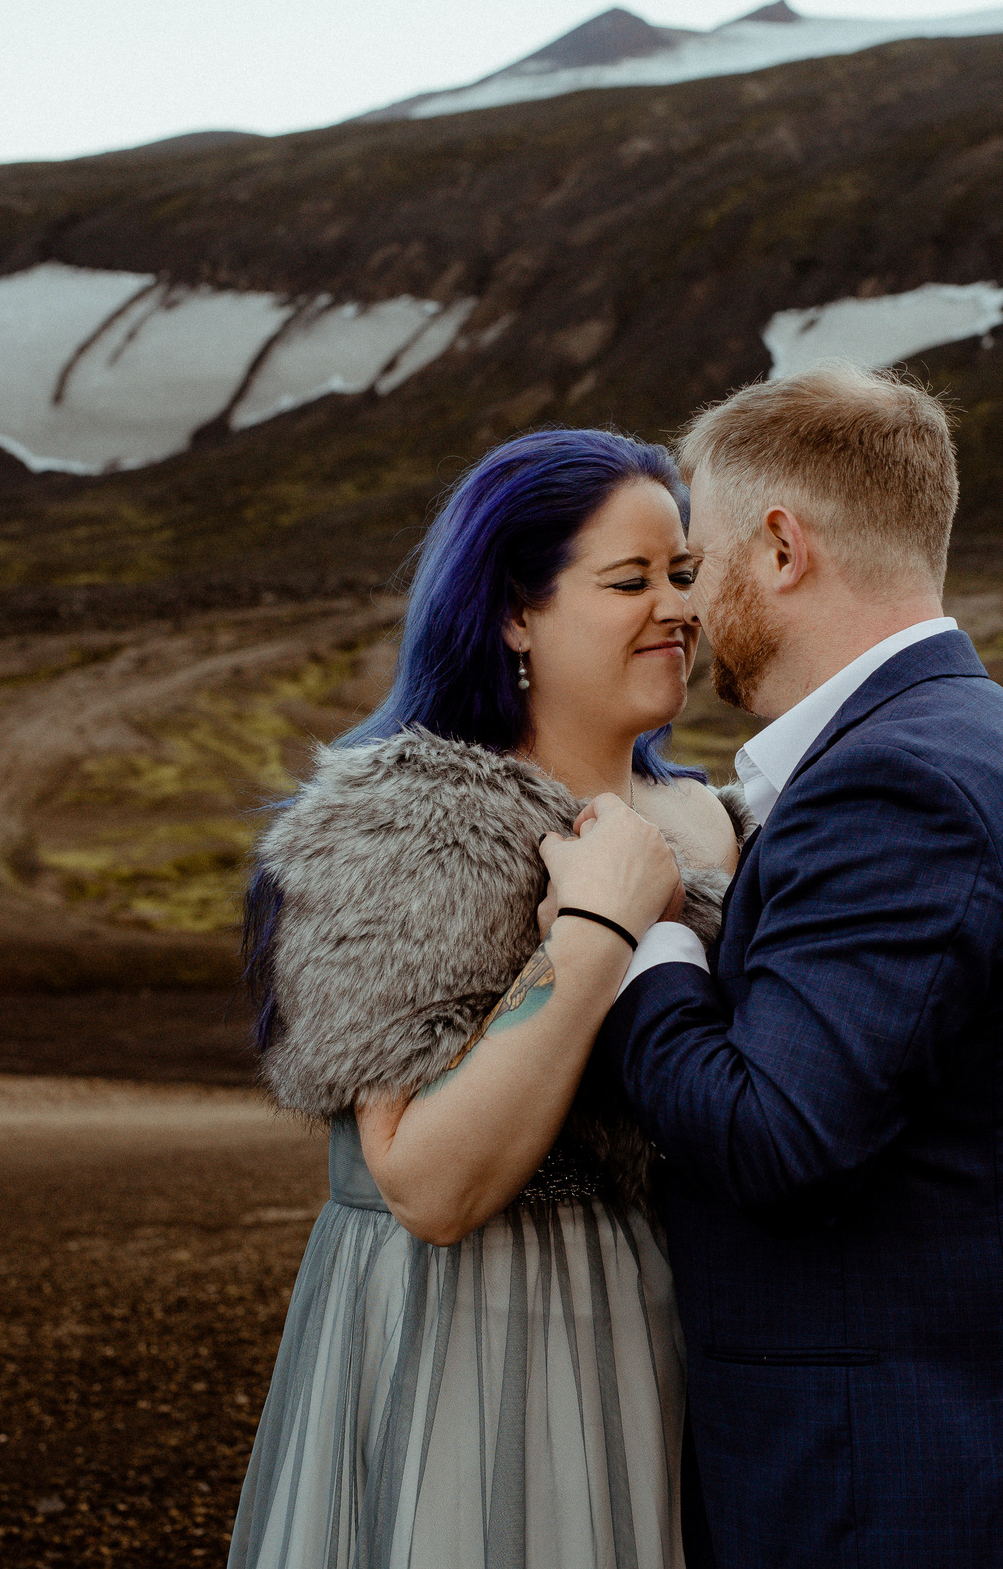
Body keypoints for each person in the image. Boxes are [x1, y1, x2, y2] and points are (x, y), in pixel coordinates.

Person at [598, 363, 1003, 1568]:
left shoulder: (896, 787)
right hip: (953, 1461)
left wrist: (642, 931)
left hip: (905, 1487)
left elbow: (774, 1139)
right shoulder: (972, 733)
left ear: (783, 547)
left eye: (696, 565)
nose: (685, 610)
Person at [226, 427, 737, 1569]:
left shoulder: (717, 820)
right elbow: (429, 1185)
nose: (675, 607)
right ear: (516, 611)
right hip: (467, 1342)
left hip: (675, 1337)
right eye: (629, 580)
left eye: (684, 573)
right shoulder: (412, 820)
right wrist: (600, 934)